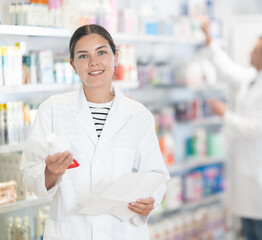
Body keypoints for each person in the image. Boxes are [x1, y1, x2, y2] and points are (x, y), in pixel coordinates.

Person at [20, 24, 169, 240]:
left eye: (101, 52)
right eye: (83, 56)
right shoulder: (52, 109)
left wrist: (150, 200)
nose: (93, 62)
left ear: (116, 57)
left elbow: (156, 175)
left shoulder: (139, 115)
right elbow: (30, 174)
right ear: (73, 65)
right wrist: (50, 172)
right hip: (72, 230)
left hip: (123, 231)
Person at [201, 20, 262, 240]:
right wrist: (209, 39)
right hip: (245, 171)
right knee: (249, 230)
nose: (250, 52)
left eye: (255, 50)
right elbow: (228, 70)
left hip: (259, 172)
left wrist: (225, 115)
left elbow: (258, 130)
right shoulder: (254, 78)